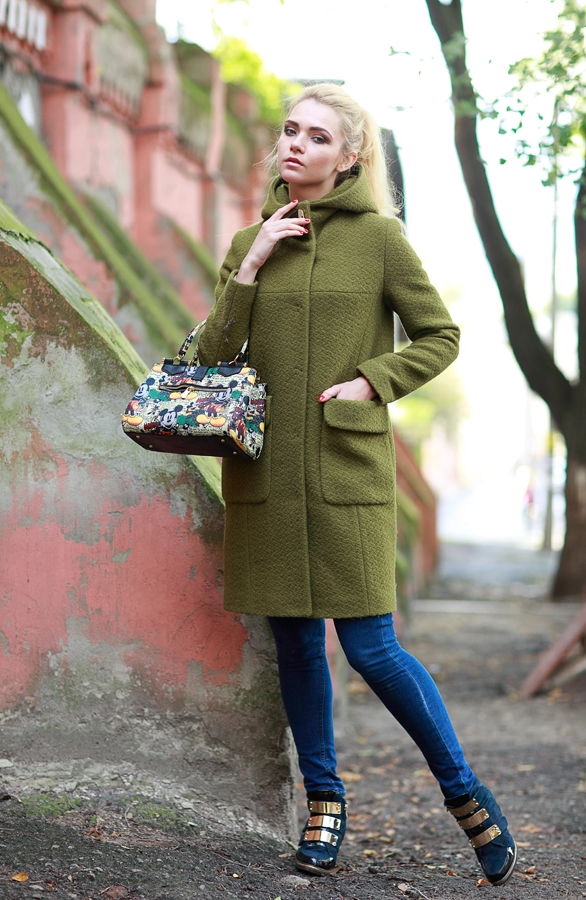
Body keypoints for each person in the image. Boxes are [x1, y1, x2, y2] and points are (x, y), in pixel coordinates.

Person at [196, 83, 516, 887]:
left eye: (317, 136)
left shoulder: (380, 239)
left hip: (347, 469)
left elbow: (439, 335)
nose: (295, 144)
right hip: (268, 474)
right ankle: (325, 804)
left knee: (373, 648)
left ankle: (465, 793)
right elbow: (211, 358)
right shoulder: (249, 241)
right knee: (298, 645)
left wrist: (375, 380)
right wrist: (253, 264)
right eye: (289, 130)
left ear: (349, 158)